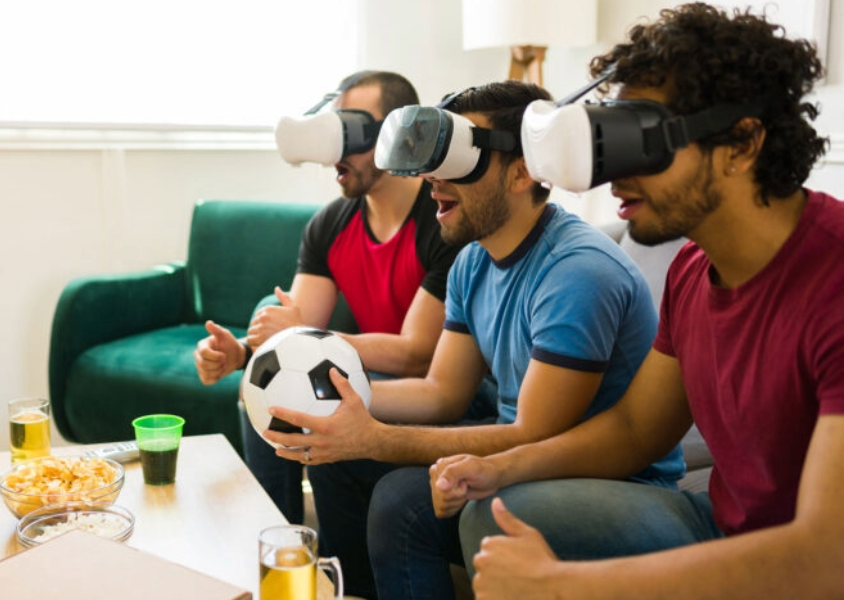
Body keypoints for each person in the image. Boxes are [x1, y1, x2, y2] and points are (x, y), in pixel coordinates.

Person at [431, 4, 844, 600]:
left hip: (807, 564)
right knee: (492, 511)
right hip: (717, 525)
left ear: (742, 142)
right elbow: (632, 429)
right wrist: (500, 466)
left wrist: (564, 585)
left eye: (641, 141)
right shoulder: (693, 271)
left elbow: (826, 556)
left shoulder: (830, 284)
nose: (614, 177)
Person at [262, 80, 685, 600]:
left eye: (457, 160)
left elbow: (534, 432)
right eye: (431, 161)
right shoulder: (472, 260)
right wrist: (337, 402)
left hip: (606, 475)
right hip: (525, 442)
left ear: (523, 170)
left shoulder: (576, 271)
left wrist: (375, 437)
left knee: (401, 499)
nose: (433, 179)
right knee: (337, 454)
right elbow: (443, 391)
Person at [192, 70, 466, 524]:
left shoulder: (441, 221)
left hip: (436, 386)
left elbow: (420, 354)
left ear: (398, 134)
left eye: (350, 132)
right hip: (369, 368)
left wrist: (306, 334)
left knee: (320, 396)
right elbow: (294, 340)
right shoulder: (329, 224)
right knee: (260, 390)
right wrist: (241, 355)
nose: (335, 155)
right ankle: (279, 540)